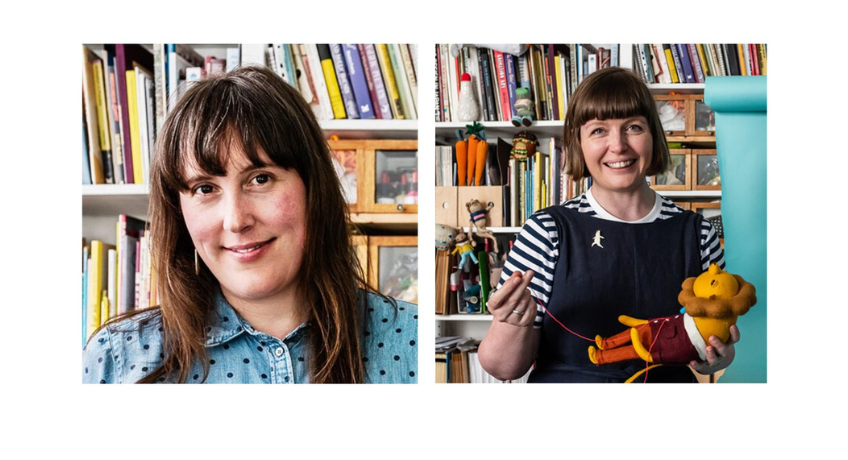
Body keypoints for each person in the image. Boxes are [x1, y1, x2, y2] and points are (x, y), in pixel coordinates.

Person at [82, 65, 417, 384]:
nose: (236, 220)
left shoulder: (414, 341)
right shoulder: (116, 360)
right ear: (178, 209)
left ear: (314, 188)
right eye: (205, 188)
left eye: (260, 179)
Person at [478, 67, 733, 383]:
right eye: (599, 130)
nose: (618, 145)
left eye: (634, 127)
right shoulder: (546, 232)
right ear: (579, 142)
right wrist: (513, 323)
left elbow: (712, 354)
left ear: (654, 135)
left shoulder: (699, 235)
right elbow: (504, 368)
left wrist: (713, 355)